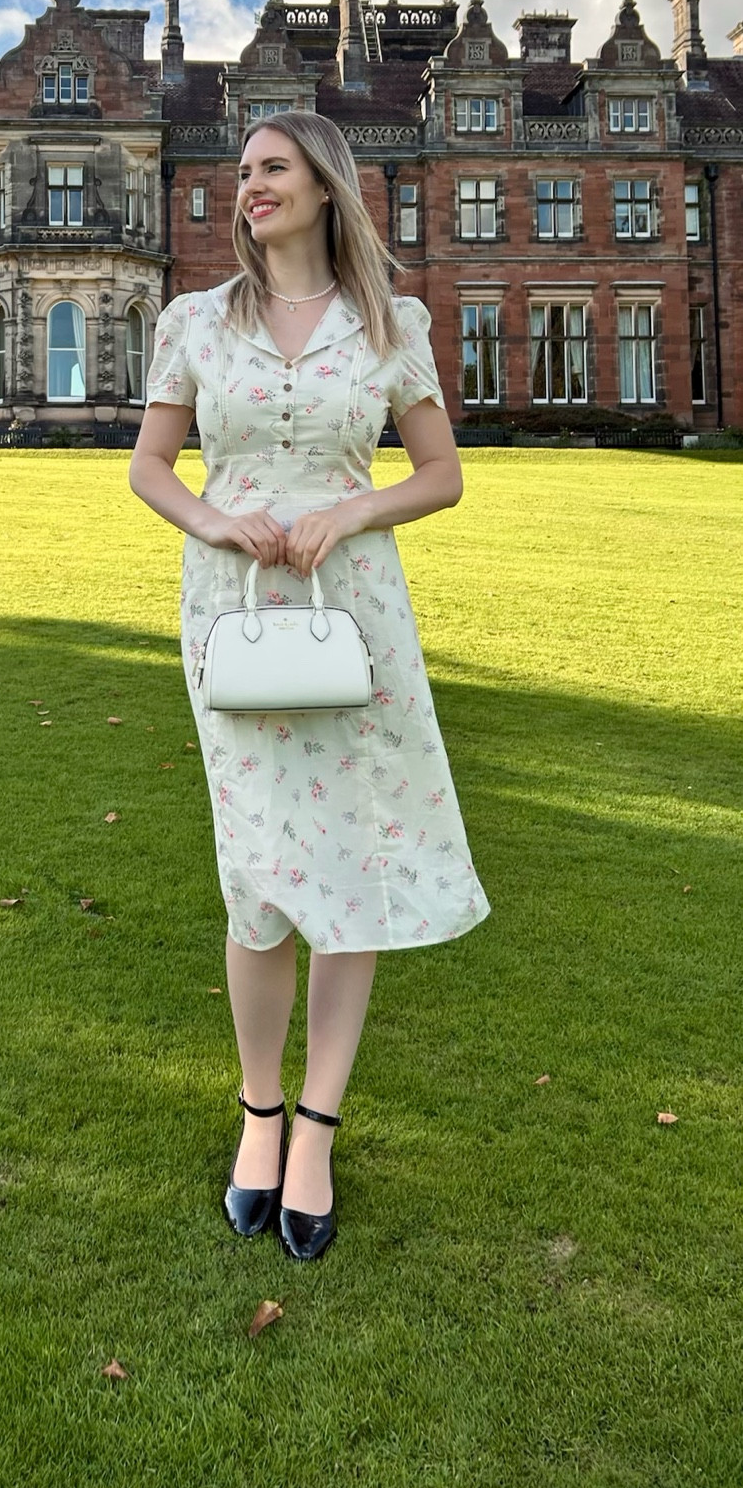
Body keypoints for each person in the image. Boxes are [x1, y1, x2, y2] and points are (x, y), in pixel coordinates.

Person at [128, 111, 490, 1261]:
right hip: (232, 610)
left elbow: (440, 475)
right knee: (255, 873)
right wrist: (212, 520)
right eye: (242, 172)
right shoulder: (196, 321)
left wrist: (352, 507)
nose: (249, 186)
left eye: (271, 168)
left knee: (349, 867)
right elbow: (149, 465)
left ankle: (316, 1130)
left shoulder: (389, 325)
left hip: (353, 611)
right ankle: (258, 1114)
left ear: (326, 186)